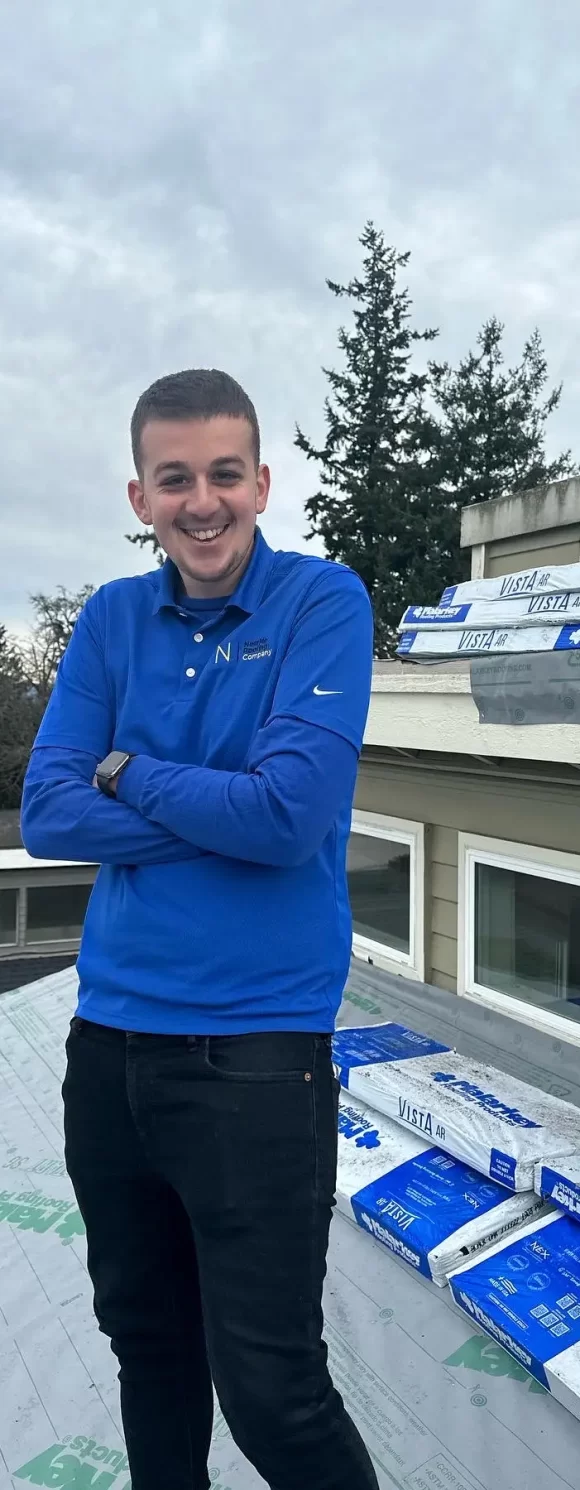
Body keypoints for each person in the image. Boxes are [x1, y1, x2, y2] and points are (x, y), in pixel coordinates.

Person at [21, 368, 377, 1490]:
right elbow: (46, 807)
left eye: (225, 472)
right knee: (149, 1348)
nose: (202, 500)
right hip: (109, 1048)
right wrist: (229, 809)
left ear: (262, 481)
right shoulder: (115, 618)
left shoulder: (320, 602)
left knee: (272, 1387)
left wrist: (126, 771)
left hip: (256, 1059)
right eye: (175, 479)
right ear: (141, 496)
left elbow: (287, 817)